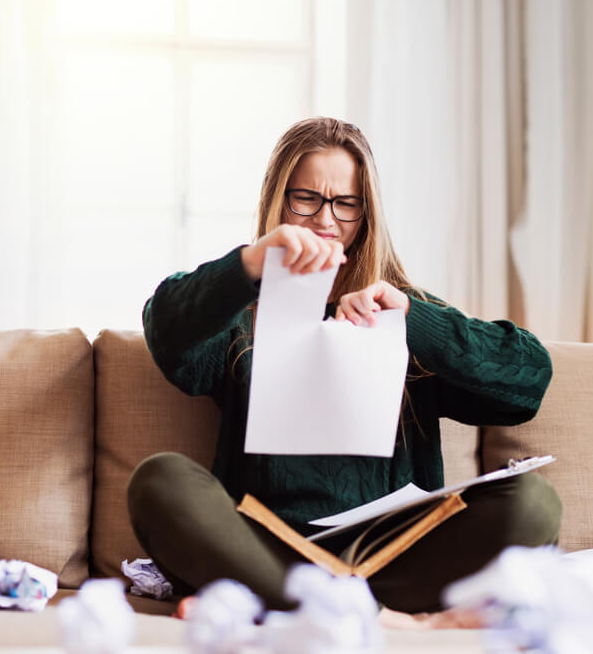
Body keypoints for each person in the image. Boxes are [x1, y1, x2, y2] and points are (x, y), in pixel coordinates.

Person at [128, 117, 560, 619]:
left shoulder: (404, 310)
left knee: (533, 503)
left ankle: (295, 609)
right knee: (159, 481)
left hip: (394, 554)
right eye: (306, 198)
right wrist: (248, 266)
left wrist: (415, 322)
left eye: (346, 203)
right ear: (278, 200)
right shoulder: (241, 310)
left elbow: (529, 381)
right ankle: (329, 608)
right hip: (266, 549)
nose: (326, 221)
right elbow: (167, 331)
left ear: (367, 211)